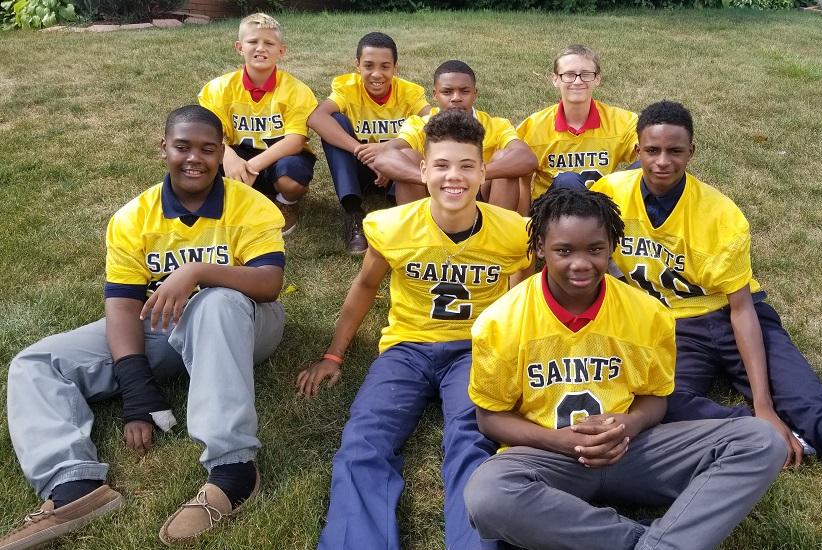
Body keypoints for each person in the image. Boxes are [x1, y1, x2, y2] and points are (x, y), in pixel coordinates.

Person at [593, 100, 822, 550]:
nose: (662, 161)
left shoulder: (720, 214)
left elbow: (742, 310)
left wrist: (765, 406)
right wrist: (754, 423)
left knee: (821, 414)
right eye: (652, 150)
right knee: (660, 406)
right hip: (670, 329)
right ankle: (759, 430)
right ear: (638, 149)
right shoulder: (612, 192)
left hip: (732, 317)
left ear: (692, 152)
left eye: (675, 151)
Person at [0, 105, 287, 549]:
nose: (195, 158)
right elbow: (122, 307)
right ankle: (74, 484)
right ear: (163, 149)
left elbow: (269, 284)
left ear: (221, 153)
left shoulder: (250, 206)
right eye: (182, 147)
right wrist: (136, 387)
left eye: (208, 149)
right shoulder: (134, 216)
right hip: (165, 327)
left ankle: (234, 470)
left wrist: (196, 270)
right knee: (36, 362)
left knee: (215, 303)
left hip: (244, 324)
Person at [463, 187, 786, 550]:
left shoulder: (648, 314)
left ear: (612, 246)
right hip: (549, 458)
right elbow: (490, 418)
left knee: (761, 440)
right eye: (564, 250)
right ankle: (652, 542)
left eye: (595, 249)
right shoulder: (501, 322)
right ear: (540, 247)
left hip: (631, 449)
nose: (581, 263)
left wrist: (627, 425)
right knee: (487, 494)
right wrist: (560, 441)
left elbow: (655, 400)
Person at [295, 110, 530, 550]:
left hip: (475, 350)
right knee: (364, 439)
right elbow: (365, 285)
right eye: (441, 165)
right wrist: (333, 354)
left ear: (484, 171)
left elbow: (520, 305)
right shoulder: (392, 225)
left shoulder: (514, 233)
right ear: (422, 170)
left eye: (466, 166)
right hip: (408, 346)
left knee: (473, 441)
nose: (453, 177)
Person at [308, 32, 431, 253]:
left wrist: (385, 152)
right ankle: (353, 212)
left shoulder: (409, 92)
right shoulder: (347, 88)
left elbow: (433, 121)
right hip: (362, 167)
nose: (377, 74)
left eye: (385, 66)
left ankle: (400, 210)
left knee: (422, 131)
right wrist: (360, 150)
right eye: (368, 66)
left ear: (395, 67)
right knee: (335, 121)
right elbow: (316, 117)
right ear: (357, 65)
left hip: (397, 170)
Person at [198, 12, 318, 235]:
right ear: (239, 47)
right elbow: (207, 134)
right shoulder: (218, 88)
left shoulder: (296, 90)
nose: (260, 48)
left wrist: (252, 166)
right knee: (202, 165)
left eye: (269, 43)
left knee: (291, 176)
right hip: (237, 155)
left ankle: (286, 201)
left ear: (281, 50)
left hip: (279, 157)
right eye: (253, 41)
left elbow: (295, 141)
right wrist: (230, 158)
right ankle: (237, 197)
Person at [372, 60, 537, 210]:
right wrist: (434, 178)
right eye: (447, 92)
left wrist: (476, 174)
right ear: (435, 94)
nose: (456, 98)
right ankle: (419, 238)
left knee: (505, 159)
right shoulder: (418, 124)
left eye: (464, 91)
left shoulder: (496, 125)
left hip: (482, 197)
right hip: (434, 195)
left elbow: (527, 159)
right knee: (407, 155)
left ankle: (497, 239)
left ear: (475, 93)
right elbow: (384, 157)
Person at [516, 44, 638, 212]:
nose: (578, 81)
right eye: (569, 74)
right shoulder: (534, 127)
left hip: (601, 212)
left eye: (586, 75)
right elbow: (516, 174)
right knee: (568, 181)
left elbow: (649, 157)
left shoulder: (622, 122)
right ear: (555, 79)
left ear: (597, 79)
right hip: (551, 216)